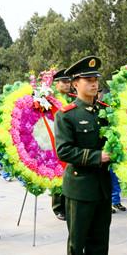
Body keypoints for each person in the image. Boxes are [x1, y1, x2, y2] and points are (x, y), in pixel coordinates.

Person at [54, 56, 116, 255]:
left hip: (102, 186)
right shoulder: (66, 115)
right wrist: (95, 156)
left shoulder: (104, 111)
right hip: (80, 186)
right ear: (75, 84)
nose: (93, 84)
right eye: (88, 80)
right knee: (78, 240)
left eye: (95, 79)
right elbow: (64, 151)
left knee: (100, 238)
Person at [51, 68, 73, 221]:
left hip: (71, 139)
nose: (67, 85)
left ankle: (70, 203)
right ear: (56, 84)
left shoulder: (73, 98)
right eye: (64, 82)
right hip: (54, 140)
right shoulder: (49, 99)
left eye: (68, 82)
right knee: (58, 173)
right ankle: (58, 207)